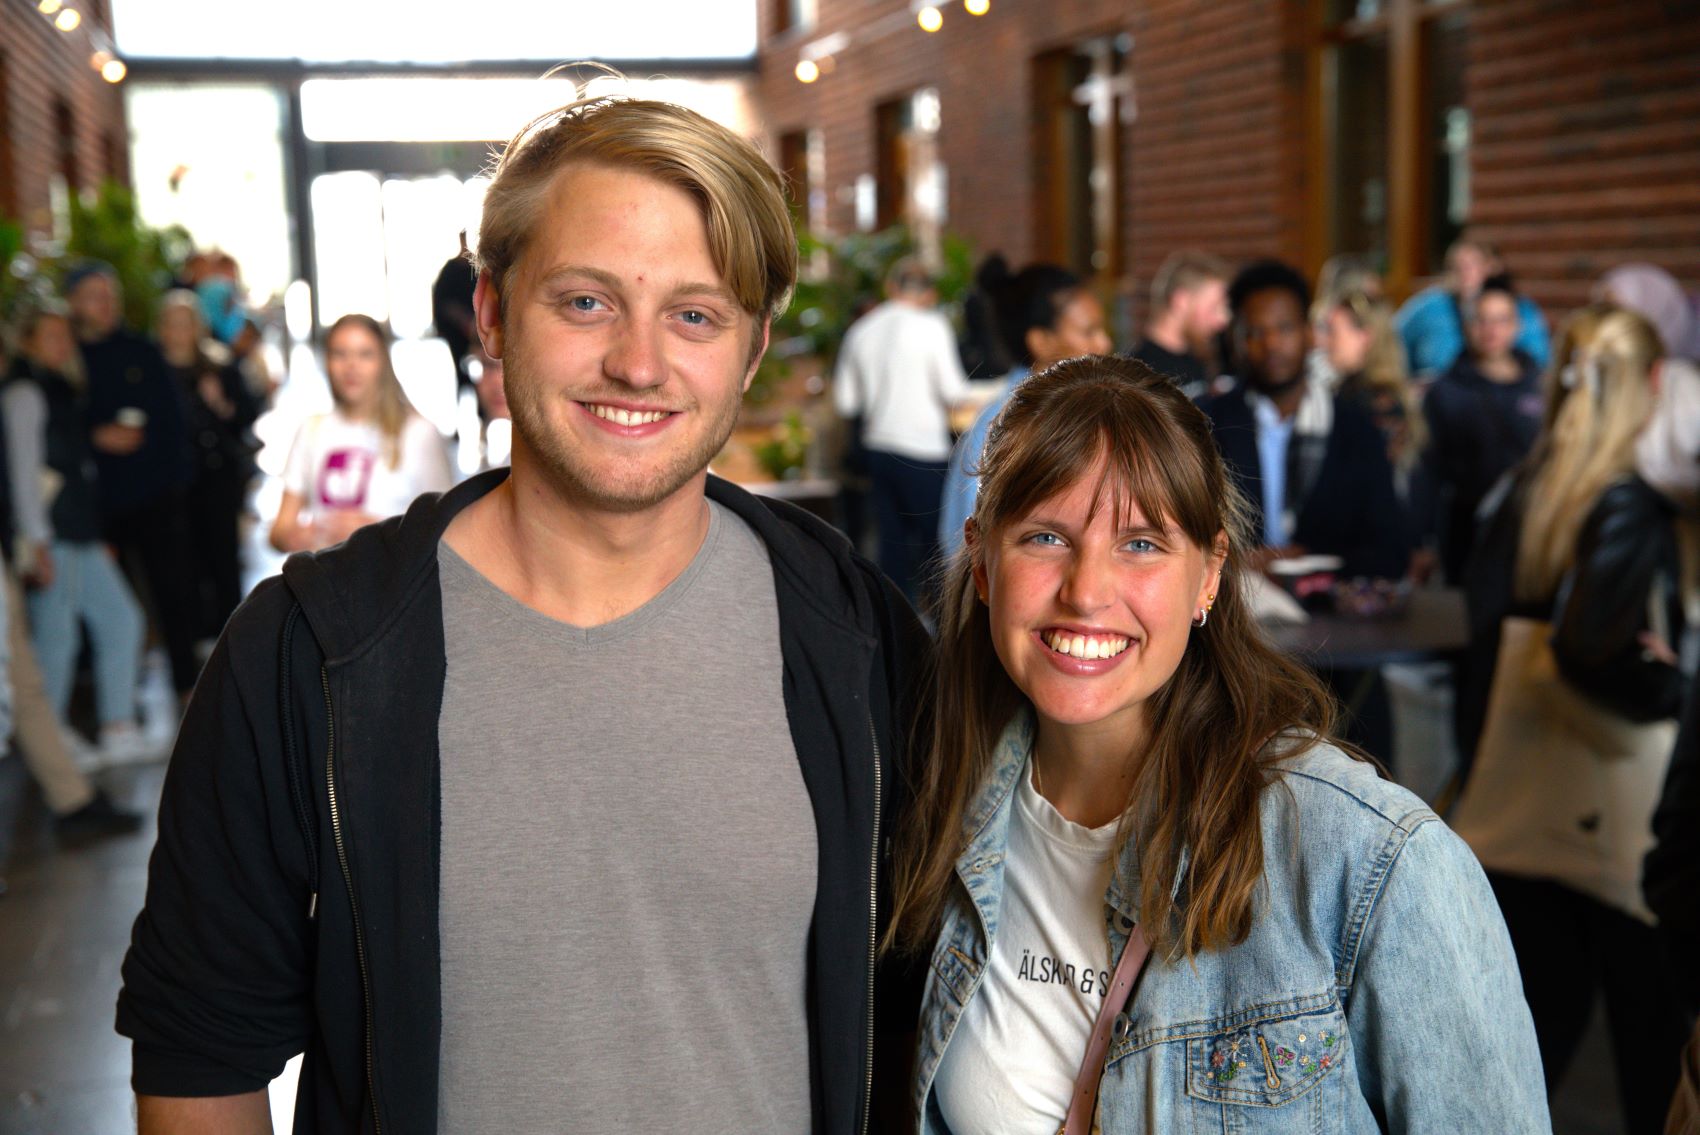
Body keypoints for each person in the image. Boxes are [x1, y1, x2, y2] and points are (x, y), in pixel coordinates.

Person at [117, 94, 928, 1134]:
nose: (639, 363)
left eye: (694, 313)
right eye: (585, 302)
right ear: (492, 315)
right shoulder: (309, 653)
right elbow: (200, 1059)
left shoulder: (854, 638)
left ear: (752, 346)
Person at [892, 356, 1546, 1132]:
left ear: (1209, 574)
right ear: (984, 564)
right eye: (1044, 536)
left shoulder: (1369, 860)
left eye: (1139, 544)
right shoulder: (937, 811)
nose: (1087, 590)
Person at [1452, 309, 1692, 1135]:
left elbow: (1487, 632)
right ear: (1655, 383)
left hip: (1521, 802)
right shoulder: (1626, 500)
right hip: (1610, 820)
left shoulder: (1533, 484)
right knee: (1652, 1056)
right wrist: (1671, 684)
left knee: (1525, 1045)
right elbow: (1590, 645)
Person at [1, 301, 151, 764]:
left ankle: (116, 726)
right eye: (49, 335)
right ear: (27, 341)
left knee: (120, 621)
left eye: (64, 335)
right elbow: (25, 473)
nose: (62, 344)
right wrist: (37, 540)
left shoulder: (60, 389)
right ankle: (54, 740)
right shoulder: (25, 393)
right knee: (57, 638)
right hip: (54, 534)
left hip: (77, 531)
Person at [1199, 260, 1409, 580]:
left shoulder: (1354, 429)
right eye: (1255, 332)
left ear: (1310, 333)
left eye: (1284, 328)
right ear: (1236, 340)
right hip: (1230, 605)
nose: (1271, 344)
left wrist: (1306, 560)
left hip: (1330, 615)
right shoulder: (1207, 424)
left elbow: (1390, 548)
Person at [66, 261, 201, 706]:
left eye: (110, 297)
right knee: (110, 608)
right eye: (94, 296)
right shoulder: (67, 361)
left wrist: (175, 488)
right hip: (98, 508)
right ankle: (116, 700)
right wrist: (94, 436)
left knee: (172, 593)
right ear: (73, 303)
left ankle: (187, 686)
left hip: (156, 496)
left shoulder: (141, 351)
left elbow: (173, 420)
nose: (105, 306)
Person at [939, 257, 1112, 556]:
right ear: (1041, 341)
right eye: (1088, 332)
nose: (1104, 344)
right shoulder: (1004, 427)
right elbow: (969, 551)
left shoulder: (1072, 409)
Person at [833, 257, 973, 602]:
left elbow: (846, 403)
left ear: (890, 288)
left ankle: (897, 634)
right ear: (929, 293)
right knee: (937, 549)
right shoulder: (932, 325)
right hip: (924, 452)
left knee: (890, 549)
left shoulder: (861, 329)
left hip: (878, 449)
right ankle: (943, 640)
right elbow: (953, 392)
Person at [268, 313, 454, 553]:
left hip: (392, 586)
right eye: (340, 354)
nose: (351, 366)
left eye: (365, 354)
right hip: (326, 583)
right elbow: (278, 533)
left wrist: (376, 531)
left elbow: (446, 534)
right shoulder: (311, 429)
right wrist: (303, 536)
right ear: (326, 362)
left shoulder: (419, 433)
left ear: (383, 362)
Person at [1421, 274, 1545, 584]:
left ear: (1517, 325)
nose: (1491, 331)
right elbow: (1426, 472)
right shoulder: (1445, 392)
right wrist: (1421, 540)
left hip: (1529, 530)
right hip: (1466, 535)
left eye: (1501, 320)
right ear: (1466, 325)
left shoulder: (1541, 386)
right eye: (1482, 320)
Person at [157, 291, 260, 640]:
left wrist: (222, 405)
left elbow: (247, 414)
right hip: (174, 485)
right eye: (174, 324)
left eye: (187, 323)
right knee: (183, 563)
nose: (181, 331)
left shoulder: (219, 365)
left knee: (223, 558)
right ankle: (196, 638)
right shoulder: (154, 371)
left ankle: (231, 637)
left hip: (217, 478)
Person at [1394, 235, 1550, 379]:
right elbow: (1391, 340)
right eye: (1457, 267)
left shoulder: (1517, 308)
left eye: (1472, 265)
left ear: (1492, 268)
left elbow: (1539, 360)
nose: (1464, 274)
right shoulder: (1428, 308)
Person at [1127, 249, 1229, 393]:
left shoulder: (1196, 362)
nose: (1222, 320)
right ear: (1181, 301)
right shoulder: (1137, 373)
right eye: (1213, 307)